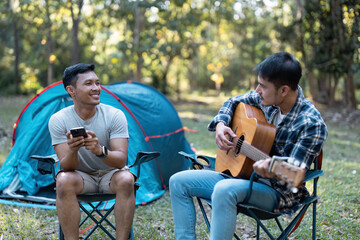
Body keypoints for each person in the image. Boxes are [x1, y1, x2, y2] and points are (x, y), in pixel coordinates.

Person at [169, 52, 328, 240]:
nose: (257, 90)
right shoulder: (267, 99)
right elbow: (233, 101)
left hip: (277, 192)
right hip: (243, 177)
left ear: (284, 90)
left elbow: (295, 174)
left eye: (263, 86)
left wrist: (272, 167)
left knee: (224, 189)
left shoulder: (311, 124)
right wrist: (221, 125)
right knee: (178, 182)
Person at [48, 63, 135, 240]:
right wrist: (73, 150)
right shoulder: (59, 120)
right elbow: (66, 166)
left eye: (97, 83)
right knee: (63, 180)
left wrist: (100, 151)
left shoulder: (114, 115)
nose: (96, 88)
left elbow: (121, 161)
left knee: (127, 178)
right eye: (89, 84)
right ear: (71, 90)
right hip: (80, 177)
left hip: (110, 176)